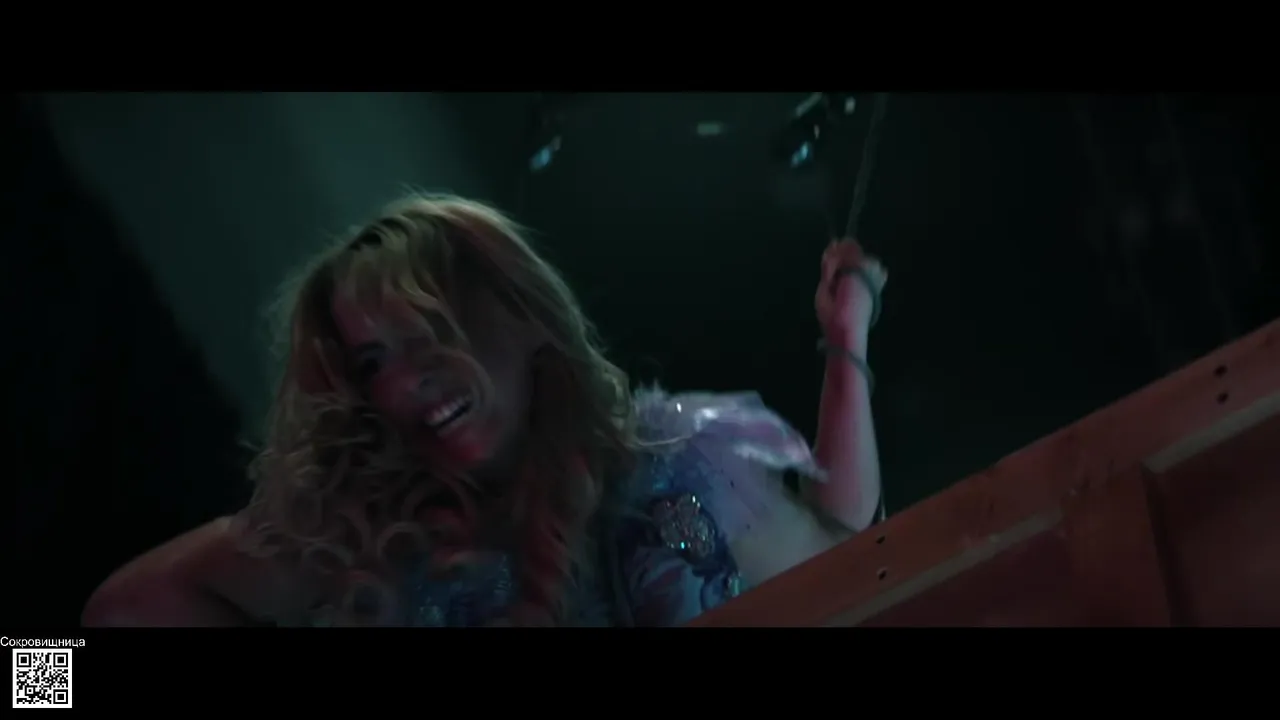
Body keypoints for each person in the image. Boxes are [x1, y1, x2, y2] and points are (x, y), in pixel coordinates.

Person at [82, 194, 885, 627]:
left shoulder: (676, 468)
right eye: (374, 362)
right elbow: (120, 614)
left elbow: (851, 557)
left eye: (433, 328)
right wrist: (30, 688)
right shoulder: (376, 540)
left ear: (527, 318)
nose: (410, 379)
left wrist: (846, 343)